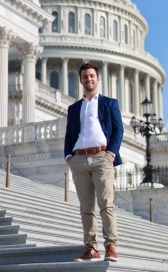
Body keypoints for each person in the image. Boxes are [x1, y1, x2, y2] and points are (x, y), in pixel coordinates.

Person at [64, 62, 123, 262]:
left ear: (98, 78)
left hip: (102, 157)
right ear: (80, 80)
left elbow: (118, 130)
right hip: (79, 158)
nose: (88, 79)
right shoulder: (74, 108)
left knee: (106, 204)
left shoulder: (109, 103)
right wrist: (69, 157)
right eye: (85, 76)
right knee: (86, 207)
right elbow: (69, 134)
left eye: (91, 76)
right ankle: (91, 248)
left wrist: (111, 153)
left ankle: (111, 246)